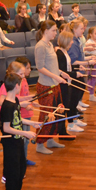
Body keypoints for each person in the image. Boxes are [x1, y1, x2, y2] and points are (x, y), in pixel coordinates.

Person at [0, 72, 39, 190]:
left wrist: (33, 123)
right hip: (10, 143)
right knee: (12, 171)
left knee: (21, 168)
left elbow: (16, 120)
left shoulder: (15, 101)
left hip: (18, 141)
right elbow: (6, 127)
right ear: (17, 86)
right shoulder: (6, 106)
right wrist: (25, 133)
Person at [0, 61, 37, 175]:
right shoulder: (7, 88)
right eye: (21, 74)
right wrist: (19, 104)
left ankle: (20, 163)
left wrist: (28, 98)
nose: (23, 77)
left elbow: (17, 98)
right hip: (5, 118)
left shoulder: (14, 93)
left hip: (12, 117)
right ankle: (8, 174)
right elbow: (1, 101)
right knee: (11, 149)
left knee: (18, 145)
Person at [35, 20, 70, 154]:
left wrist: (61, 73)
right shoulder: (40, 46)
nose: (56, 33)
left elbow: (52, 65)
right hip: (45, 86)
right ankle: (39, 143)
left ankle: (50, 139)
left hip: (54, 84)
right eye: (53, 30)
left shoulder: (50, 44)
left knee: (56, 112)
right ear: (45, 31)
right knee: (46, 114)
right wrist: (56, 77)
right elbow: (40, 67)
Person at [66, 19, 96, 130]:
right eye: (81, 28)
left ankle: (75, 119)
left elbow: (80, 57)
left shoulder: (78, 40)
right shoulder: (73, 42)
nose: (83, 29)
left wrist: (89, 58)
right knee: (74, 98)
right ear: (74, 29)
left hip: (80, 71)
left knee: (78, 95)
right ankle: (71, 123)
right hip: (75, 72)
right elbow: (73, 61)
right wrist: (88, 62)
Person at [56, 30, 84, 133]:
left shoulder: (64, 52)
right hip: (63, 84)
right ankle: (63, 130)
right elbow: (62, 70)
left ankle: (69, 124)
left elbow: (68, 67)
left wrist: (76, 67)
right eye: (70, 40)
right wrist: (75, 74)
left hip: (67, 83)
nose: (72, 42)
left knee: (69, 103)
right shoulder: (59, 53)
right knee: (65, 105)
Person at [84, 26, 96, 102]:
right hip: (91, 63)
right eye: (95, 33)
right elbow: (86, 53)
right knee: (91, 78)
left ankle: (92, 94)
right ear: (91, 34)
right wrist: (95, 56)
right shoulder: (88, 42)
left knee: (95, 78)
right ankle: (91, 94)